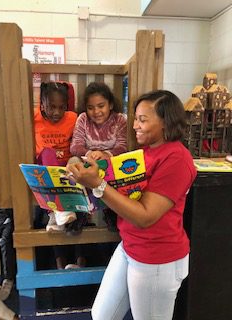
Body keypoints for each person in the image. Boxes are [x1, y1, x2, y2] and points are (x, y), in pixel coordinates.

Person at [67, 90, 197, 320]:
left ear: (166, 122)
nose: (135, 125)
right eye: (136, 118)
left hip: (157, 257)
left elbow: (145, 216)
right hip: (131, 246)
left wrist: (98, 185)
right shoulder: (143, 152)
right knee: (102, 315)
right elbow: (118, 194)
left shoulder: (177, 158)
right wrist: (83, 179)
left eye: (143, 120)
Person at [69, 81, 127, 234]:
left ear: (111, 105)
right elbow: (75, 147)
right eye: (90, 107)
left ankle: (112, 211)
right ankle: (79, 212)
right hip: (86, 163)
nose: (96, 111)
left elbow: (122, 147)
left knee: (124, 164)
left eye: (101, 106)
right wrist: (89, 155)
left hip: (110, 165)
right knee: (72, 163)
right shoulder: (82, 119)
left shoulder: (120, 120)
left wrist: (105, 155)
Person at [34, 81, 77, 232]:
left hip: (65, 168)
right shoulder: (33, 116)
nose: (57, 112)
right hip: (44, 167)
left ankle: (54, 216)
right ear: (42, 103)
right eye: (52, 106)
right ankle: (61, 208)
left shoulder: (72, 118)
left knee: (75, 162)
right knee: (47, 152)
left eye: (61, 107)